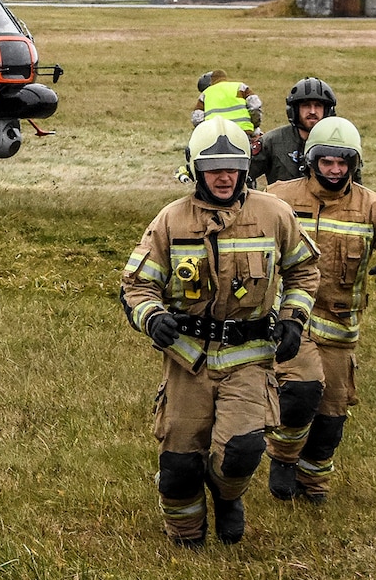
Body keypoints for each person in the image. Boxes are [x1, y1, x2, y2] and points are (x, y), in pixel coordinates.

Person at [121, 118, 321, 545]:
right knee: (179, 467)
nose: (225, 176)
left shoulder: (274, 214)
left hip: (249, 356)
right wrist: (153, 318)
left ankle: (228, 496)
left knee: (241, 451)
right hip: (187, 361)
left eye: (233, 166)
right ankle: (186, 539)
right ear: (195, 170)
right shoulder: (171, 221)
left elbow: (304, 271)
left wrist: (292, 318)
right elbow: (137, 286)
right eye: (214, 168)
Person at [262, 116, 376, 503]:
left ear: (355, 164)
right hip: (291, 320)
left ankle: (313, 485)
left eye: (343, 163)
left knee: (331, 418)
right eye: (327, 162)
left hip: (340, 328)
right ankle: (283, 457)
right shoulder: (278, 197)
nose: (335, 170)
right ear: (311, 160)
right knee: (302, 391)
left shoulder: (371, 205)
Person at [251, 76, 336, 185]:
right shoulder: (272, 141)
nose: (312, 111)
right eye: (306, 105)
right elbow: (243, 175)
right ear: (294, 110)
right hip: (282, 201)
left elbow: (355, 188)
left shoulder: (340, 142)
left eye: (318, 106)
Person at [192, 70, 264, 133]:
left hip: (214, 134)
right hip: (242, 131)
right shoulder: (240, 87)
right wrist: (255, 124)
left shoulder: (205, 94)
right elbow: (255, 106)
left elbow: (197, 119)